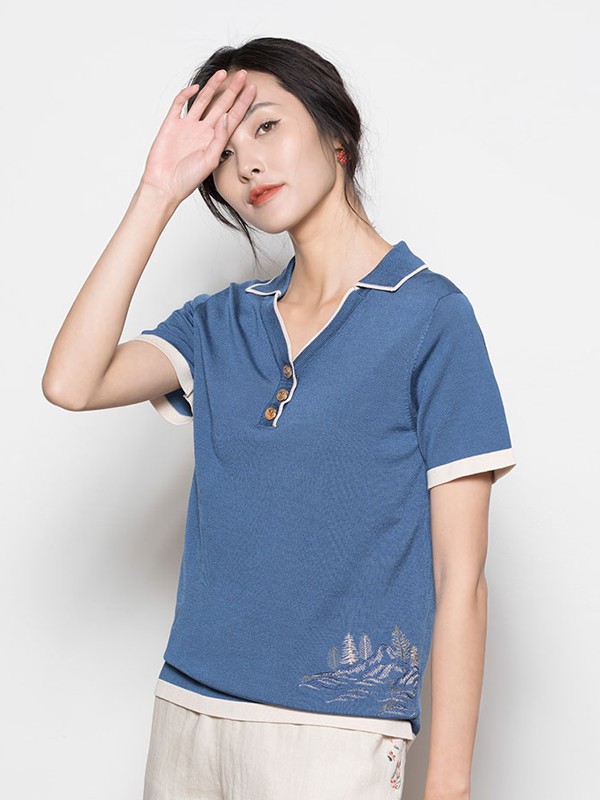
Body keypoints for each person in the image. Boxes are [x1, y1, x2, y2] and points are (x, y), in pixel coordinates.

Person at [42, 36, 517, 800]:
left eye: (266, 126)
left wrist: (449, 784)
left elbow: (460, 579)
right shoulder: (221, 323)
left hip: (336, 736)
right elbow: (72, 382)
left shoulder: (431, 317)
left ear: (336, 133)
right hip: (188, 710)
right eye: (224, 155)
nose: (249, 165)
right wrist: (158, 190)